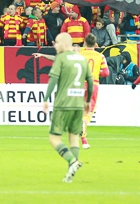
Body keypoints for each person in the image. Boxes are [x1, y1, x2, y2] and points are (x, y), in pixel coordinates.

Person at [41, 32, 92, 183]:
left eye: (57, 42)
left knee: (54, 138)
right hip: (78, 104)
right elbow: (90, 81)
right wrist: (88, 100)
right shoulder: (82, 59)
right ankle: (71, 173)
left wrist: (46, 99)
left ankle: (72, 161)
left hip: (63, 104)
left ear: (65, 43)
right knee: (74, 138)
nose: (55, 46)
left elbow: (53, 79)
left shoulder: (61, 58)